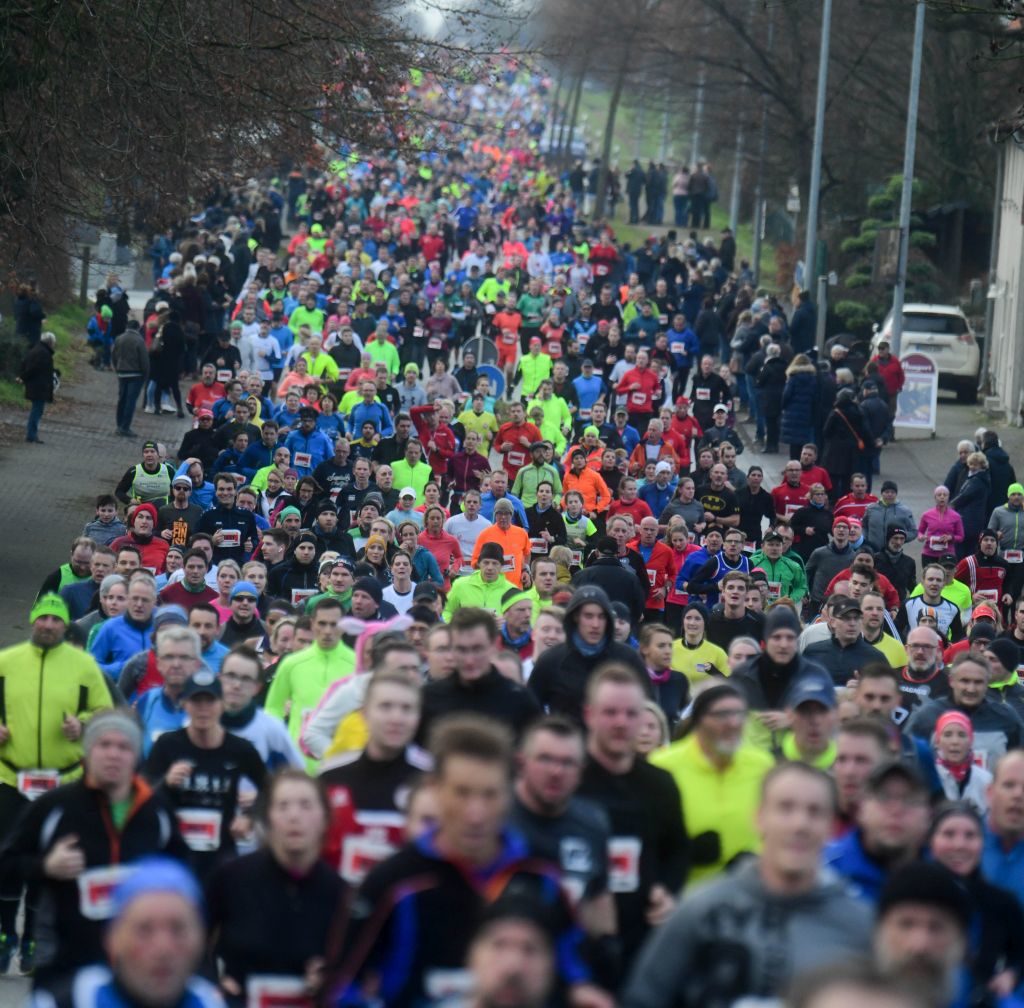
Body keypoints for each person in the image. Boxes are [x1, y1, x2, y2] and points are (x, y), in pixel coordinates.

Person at [323, 714, 597, 1008]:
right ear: (436, 789)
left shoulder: (540, 874)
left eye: (490, 795)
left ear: (509, 794)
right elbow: (339, 989)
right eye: (462, 793)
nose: (475, 814)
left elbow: (574, 976)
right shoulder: (393, 882)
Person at [622, 762, 872, 1008]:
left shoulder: (857, 925)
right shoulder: (701, 910)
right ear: (759, 818)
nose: (800, 824)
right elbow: (644, 997)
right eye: (785, 808)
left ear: (831, 827)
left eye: (815, 812)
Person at [0, 711, 191, 994]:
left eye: (124, 746)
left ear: (136, 755)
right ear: (87, 752)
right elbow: (6, 865)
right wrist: (44, 866)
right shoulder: (54, 807)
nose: (113, 754)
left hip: (137, 968)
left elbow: (185, 878)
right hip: (66, 967)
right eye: (104, 745)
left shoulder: (156, 811)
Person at [205, 769, 348, 1002]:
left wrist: (330, 977)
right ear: (268, 818)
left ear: (325, 818)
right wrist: (213, 984)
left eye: (305, 805)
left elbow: (357, 968)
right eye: (283, 806)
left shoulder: (340, 892)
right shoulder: (231, 877)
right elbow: (192, 940)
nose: (294, 816)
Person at [578, 665, 687, 967]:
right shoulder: (569, 780)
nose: (620, 722)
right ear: (590, 715)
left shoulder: (660, 783)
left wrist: (668, 893)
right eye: (610, 712)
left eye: (630, 713)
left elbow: (677, 849)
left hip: (642, 939)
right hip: (575, 940)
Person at [508, 717, 616, 958]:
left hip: (568, 966)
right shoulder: (495, 819)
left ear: (581, 771)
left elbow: (599, 901)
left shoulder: (592, 822)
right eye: (545, 759)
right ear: (521, 762)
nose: (556, 771)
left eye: (568, 762)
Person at [144, 669, 268, 879]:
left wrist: (250, 816)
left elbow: (270, 790)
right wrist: (166, 782)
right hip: (175, 857)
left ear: (222, 705)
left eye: (209, 701)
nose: (203, 709)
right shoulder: (167, 745)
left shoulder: (240, 749)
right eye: (196, 701)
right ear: (184, 704)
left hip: (222, 858)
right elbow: (142, 796)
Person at [650, 682, 771, 881]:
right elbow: (645, 838)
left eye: (739, 714)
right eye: (722, 715)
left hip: (750, 896)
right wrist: (685, 852)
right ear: (699, 720)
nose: (733, 723)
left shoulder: (762, 764)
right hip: (684, 899)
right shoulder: (663, 767)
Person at [65, 857, 222, 1008]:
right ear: (112, 939)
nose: (163, 949)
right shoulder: (69, 1001)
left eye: (178, 929)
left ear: (202, 939)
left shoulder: (213, 1003)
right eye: (144, 930)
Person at [416, 608, 539, 744]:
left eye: (477, 649)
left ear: (494, 645)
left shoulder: (519, 701)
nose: (469, 660)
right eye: (461, 649)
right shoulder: (429, 699)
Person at [529, 585, 648, 722]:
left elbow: (647, 704)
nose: (595, 624)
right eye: (588, 616)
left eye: (601, 617)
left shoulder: (628, 658)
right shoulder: (551, 660)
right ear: (575, 617)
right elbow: (530, 710)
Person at [824, 761, 932, 903]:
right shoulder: (823, 871)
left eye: (909, 799)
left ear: (928, 816)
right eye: (884, 797)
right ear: (861, 809)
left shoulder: (946, 880)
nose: (896, 809)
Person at [907, 654, 1022, 769]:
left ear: (987, 683)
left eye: (978, 682)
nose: (971, 689)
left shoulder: (1006, 718)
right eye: (965, 681)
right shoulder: (927, 716)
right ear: (951, 681)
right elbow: (906, 761)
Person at [18, 329, 56, 443]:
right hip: (39, 386)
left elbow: (26, 364)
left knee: (36, 410)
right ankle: (31, 434)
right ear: (50, 342)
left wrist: (22, 376)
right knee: (37, 411)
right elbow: (35, 368)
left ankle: (32, 434)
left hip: (35, 385)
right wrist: (23, 377)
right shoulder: (44, 353)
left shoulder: (36, 349)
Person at [113, 320, 150, 437]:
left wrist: (117, 368)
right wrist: (145, 375)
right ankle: (125, 427)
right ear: (138, 328)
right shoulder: (139, 340)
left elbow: (114, 355)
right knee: (131, 401)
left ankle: (119, 425)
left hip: (122, 373)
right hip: (135, 375)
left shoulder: (119, 338)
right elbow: (144, 360)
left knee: (121, 400)